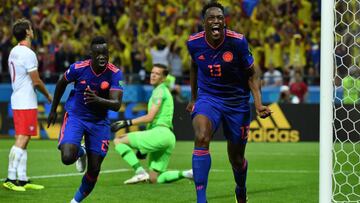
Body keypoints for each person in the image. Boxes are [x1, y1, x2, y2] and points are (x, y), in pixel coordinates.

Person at [186, 2, 272, 203]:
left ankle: (240, 188)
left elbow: (253, 74)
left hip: (236, 102)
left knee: (236, 159)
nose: (216, 21)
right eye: (211, 18)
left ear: (224, 22)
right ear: (204, 22)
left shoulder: (237, 42)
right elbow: (193, 66)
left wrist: (258, 103)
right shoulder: (193, 43)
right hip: (209, 98)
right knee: (201, 137)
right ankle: (201, 199)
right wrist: (193, 98)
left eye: (220, 18)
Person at [47, 36, 123, 203]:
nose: (102, 57)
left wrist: (97, 100)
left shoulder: (115, 73)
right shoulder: (78, 68)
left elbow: (117, 104)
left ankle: (75, 201)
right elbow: (61, 82)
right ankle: (81, 151)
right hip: (76, 116)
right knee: (67, 157)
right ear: (91, 54)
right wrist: (53, 109)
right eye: (98, 54)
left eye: (105, 53)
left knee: (94, 169)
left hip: (99, 122)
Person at [111, 63, 193, 184]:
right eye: (152, 73)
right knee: (155, 178)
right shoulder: (163, 90)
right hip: (168, 137)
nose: (153, 76)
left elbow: (150, 117)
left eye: (157, 74)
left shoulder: (159, 91)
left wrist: (126, 123)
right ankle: (188, 173)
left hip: (160, 133)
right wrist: (144, 149)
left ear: (163, 78)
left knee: (118, 140)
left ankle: (139, 172)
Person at [3, 18, 52, 192]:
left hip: (19, 99)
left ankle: (22, 179)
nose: (33, 30)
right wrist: (48, 96)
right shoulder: (28, 53)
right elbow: (36, 81)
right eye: (31, 28)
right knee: (22, 138)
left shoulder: (14, 51)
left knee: (26, 137)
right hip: (25, 101)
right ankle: (10, 178)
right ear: (27, 32)